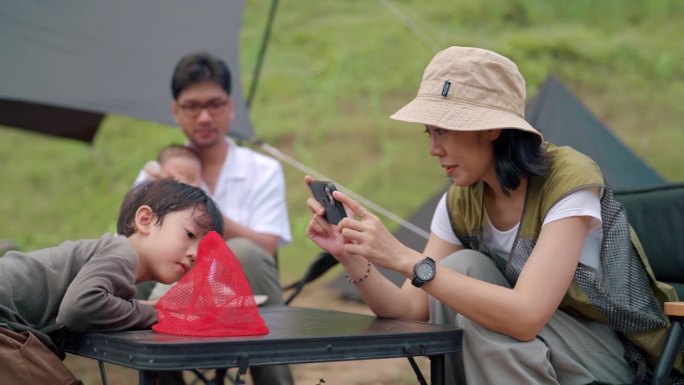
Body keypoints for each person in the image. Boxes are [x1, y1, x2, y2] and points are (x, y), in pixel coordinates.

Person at [305, 46, 681, 385]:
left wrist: (404, 257)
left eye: (443, 131)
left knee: (464, 276)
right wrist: (352, 257)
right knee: (464, 275)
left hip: (618, 357)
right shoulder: (462, 200)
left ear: (491, 128)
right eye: (428, 133)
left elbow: (526, 315)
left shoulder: (568, 181)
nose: (433, 149)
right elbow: (410, 310)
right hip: (526, 353)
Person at [134, 52, 294, 385]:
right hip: (170, 292)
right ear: (176, 111)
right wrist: (164, 195)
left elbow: (267, 246)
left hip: (239, 294)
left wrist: (203, 205)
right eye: (192, 106)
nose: (205, 116)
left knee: (247, 252)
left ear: (231, 107)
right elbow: (135, 247)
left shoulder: (261, 170)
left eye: (215, 104)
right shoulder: (153, 176)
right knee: (139, 267)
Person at [0, 179, 223, 385]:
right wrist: (159, 316)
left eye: (204, 250)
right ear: (145, 220)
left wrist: (147, 308)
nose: (194, 254)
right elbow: (80, 307)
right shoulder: (122, 253)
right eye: (190, 235)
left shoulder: (116, 264)